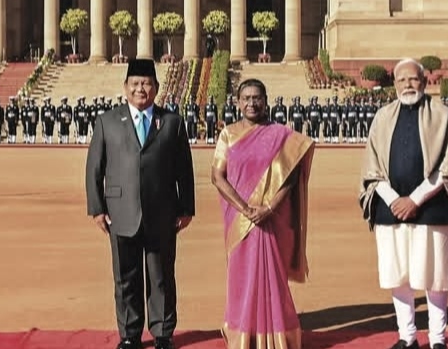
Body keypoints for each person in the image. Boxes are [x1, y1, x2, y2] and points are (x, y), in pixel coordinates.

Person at [359, 58, 448, 349]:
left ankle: (437, 339)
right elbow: (372, 168)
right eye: (402, 80)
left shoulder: (442, 115)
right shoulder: (382, 117)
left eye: (413, 79)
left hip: (431, 206)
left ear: (424, 81)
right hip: (390, 207)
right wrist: (396, 200)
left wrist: (416, 199)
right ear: (394, 84)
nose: (408, 85)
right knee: (399, 274)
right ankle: (407, 337)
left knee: (434, 276)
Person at [85, 58, 195, 349]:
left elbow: (184, 168)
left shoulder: (172, 122)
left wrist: (186, 207)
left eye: (146, 83)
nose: (140, 89)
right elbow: (95, 167)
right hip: (120, 211)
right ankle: (129, 334)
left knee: (161, 276)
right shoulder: (107, 121)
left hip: (163, 211)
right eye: (135, 83)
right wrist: (97, 208)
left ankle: (162, 333)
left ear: (156, 88)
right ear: (125, 87)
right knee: (125, 277)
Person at [211, 79, 314, 349]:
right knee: (241, 277)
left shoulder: (282, 135)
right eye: (246, 98)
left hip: (273, 219)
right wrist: (245, 209)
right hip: (238, 220)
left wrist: (269, 208)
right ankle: (243, 335)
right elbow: (217, 177)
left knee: (273, 278)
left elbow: (291, 177)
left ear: (266, 101)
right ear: (237, 102)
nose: (251, 103)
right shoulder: (228, 135)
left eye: (257, 98)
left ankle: (278, 336)